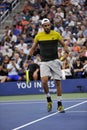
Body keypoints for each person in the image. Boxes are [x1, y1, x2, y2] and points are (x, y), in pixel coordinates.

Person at [27, 18, 68, 113]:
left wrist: (67, 51)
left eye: (48, 25)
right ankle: (49, 99)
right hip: (44, 61)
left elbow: (63, 44)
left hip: (55, 61)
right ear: (42, 27)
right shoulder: (38, 36)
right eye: (45, 26)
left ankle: (59, 104)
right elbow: (33, 49)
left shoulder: (56, 34)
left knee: (58, 82)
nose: (47, 27)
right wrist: (27, 59)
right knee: (44, 81)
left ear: (50, 25)